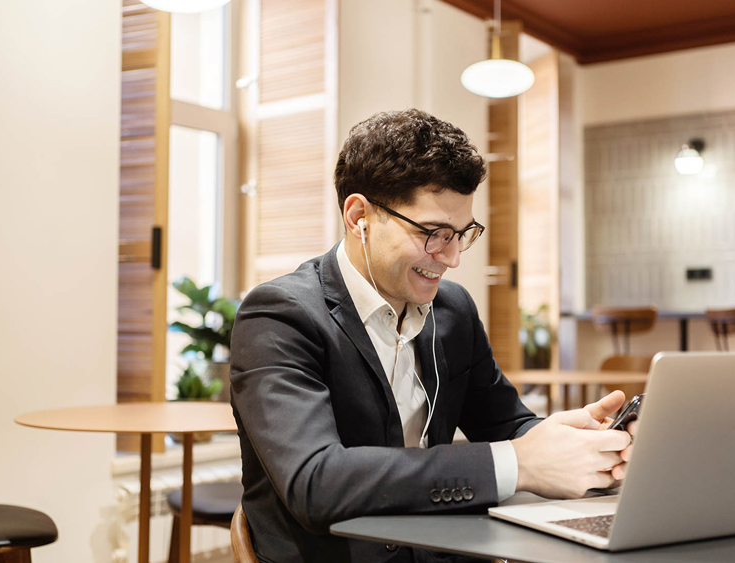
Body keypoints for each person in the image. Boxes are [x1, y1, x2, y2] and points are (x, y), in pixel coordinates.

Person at [228, 109, 635, 563]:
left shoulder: (453, 310)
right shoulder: (279, 316)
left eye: (463, 234)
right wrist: (520, 463)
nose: (453, 257)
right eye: (435, 233)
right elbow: (315, 482)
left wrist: (586, 443)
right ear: (359, 215)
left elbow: (506, 425)